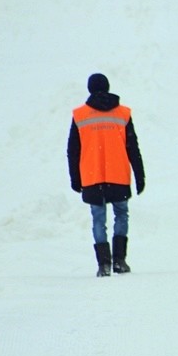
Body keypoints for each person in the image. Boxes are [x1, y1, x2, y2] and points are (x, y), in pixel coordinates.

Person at [67, 73, 145, 277]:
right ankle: (119, 260)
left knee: (98, 219)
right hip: (118, 174)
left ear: (90, 89)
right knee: (121, 214)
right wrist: (140, 175)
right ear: (108, 87)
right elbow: (132, 146)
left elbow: (73, 150)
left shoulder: (80, 115)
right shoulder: (122, 114)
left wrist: (75, 178)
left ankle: (104, 265)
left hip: (92, 176)